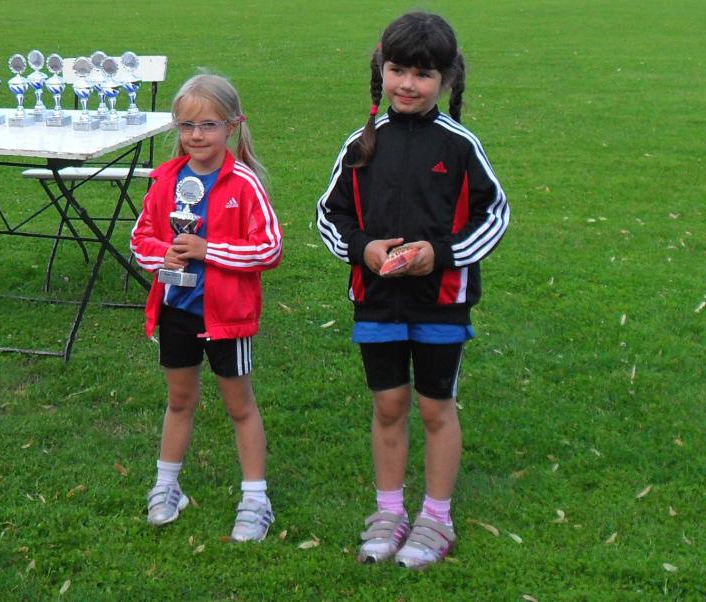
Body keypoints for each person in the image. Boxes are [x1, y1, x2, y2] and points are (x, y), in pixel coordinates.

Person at [316, 11, 509, 568]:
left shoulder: (460, 145)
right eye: (398, 70)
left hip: (441, 304)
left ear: (446, 80)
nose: (407, 84)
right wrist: (364, 249)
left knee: (434, 407)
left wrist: (440, 255)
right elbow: (329, 215)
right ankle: (389, 512)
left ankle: (437, 518)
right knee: (388, 404)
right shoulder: (361, 144)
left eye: (423, 74)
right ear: (382, 70)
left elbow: (495, 215)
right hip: (376, 300)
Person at [130, 73, 283, 541]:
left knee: (240, 405)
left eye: (209, 125)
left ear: (233, 125)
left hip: (227, 319)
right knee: (179, 400)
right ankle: (166, 486)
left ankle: (255, 499)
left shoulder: (245, 184)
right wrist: (165, 255)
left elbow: (269, 248)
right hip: (176, 311)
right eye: (186, 125)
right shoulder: (165, 180)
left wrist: (207, 250)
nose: (196, 135)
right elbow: (140, 240)